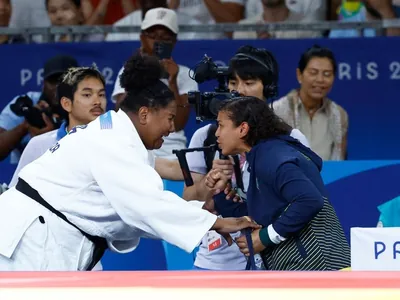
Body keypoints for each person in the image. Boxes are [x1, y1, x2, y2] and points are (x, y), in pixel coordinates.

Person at [0, 53, 258, 271]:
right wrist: (217, 222)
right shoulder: (112, 140)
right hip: (29, 242)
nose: (171, 128)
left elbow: (138, 211)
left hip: (46, 236)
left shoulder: (117, 133)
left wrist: (201, 213)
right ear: (144, 114)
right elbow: (146, 206)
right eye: (169, 118)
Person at [183, 45, 309, 271]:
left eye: (249, 83)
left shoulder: (290, 139)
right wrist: (210, 181)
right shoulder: (208, 136)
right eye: (233, 83)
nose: (239, 91)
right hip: (218, 261)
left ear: (268, 88)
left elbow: (303, 201)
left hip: (279, 258)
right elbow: (190, 200)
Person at [207, 96, 350, 270]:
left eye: (221, 125)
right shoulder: (262, 157)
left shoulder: (272, 156)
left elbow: (309, 200)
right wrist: (221, 194)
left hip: (319, 269)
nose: (217, 133)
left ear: (242, 129)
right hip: (300, 267)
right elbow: (265, 215)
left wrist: (265, 237)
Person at [111, 7, 196, 160]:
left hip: (172, 154)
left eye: (165, 37)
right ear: (142, 38)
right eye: (153, 36)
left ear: (174, 41)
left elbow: (178, 124)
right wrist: (140, 71)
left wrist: (173, 81)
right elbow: (120, 113)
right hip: (134, 149)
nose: (158, 41)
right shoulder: (130, 69)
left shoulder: (184, 74)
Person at [8, 65, 107, 188]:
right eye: (87, 95)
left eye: (101, 95)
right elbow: (17, 195)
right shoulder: (39, 145)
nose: (97, 101)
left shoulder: (117, 143)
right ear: (66, 103)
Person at [273, 45, 348, 161]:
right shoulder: (277, 111)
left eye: (327, 74)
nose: (320, 80)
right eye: (313, 73)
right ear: (299, 75)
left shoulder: (339, 114)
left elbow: (340, 161)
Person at [0, 55, 79, 163]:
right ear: (44, 84)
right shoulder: (28, 104)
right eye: (53, 81)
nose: (58, 87)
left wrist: (52, 137)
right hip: (22, 174)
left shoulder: (84, 109)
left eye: (65, 81)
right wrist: (25, 126)